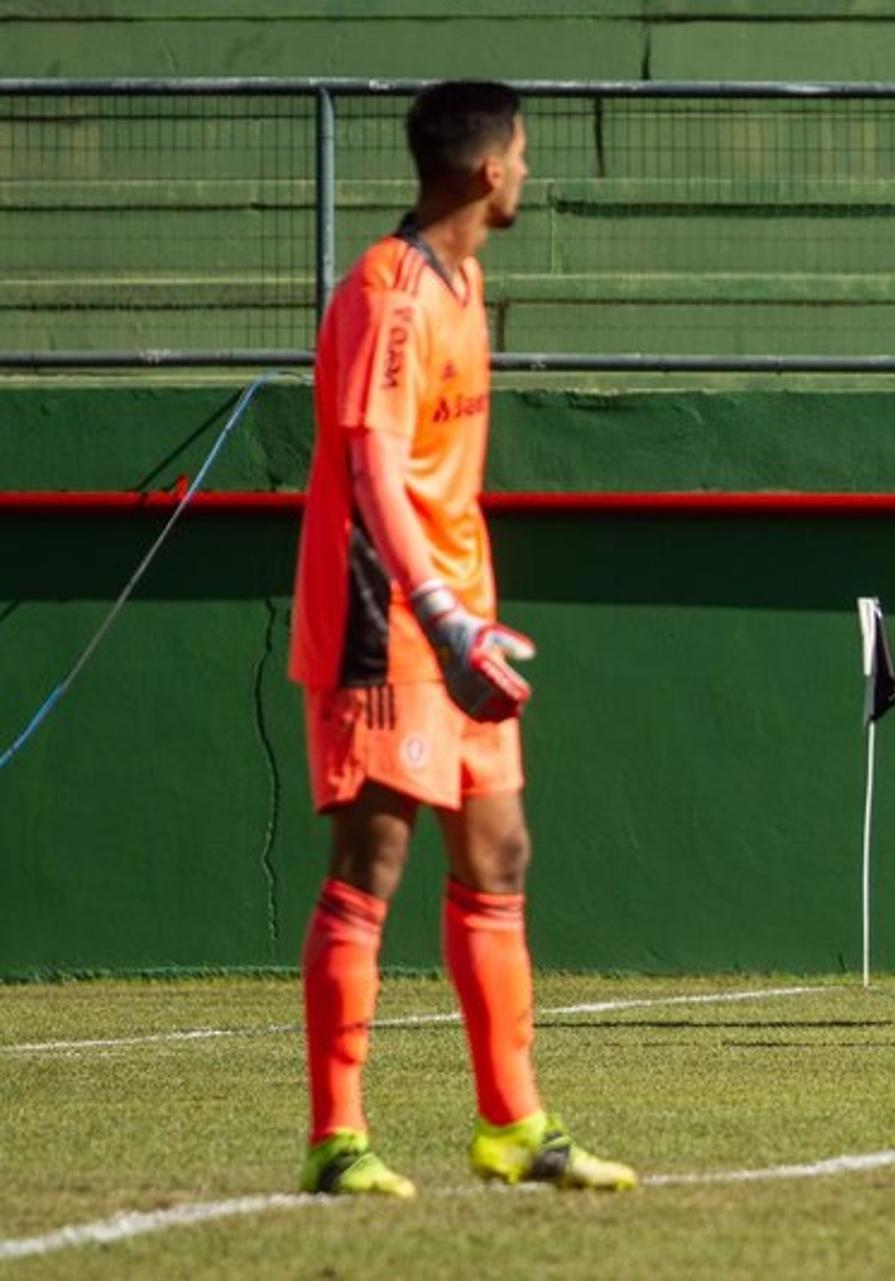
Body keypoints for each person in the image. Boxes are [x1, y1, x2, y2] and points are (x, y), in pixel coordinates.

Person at [288, 80, 633, 1196]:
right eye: (523, 155)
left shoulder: (465, 279)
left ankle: (513, 1125)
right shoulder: (390, 294)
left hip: (456, 618)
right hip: (382, 620)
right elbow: (373, 468)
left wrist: (470, 617)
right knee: (373, 862)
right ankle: (337, 1138)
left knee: (500, 855)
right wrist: (436, 616)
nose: (528, 171)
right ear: (489, 169)